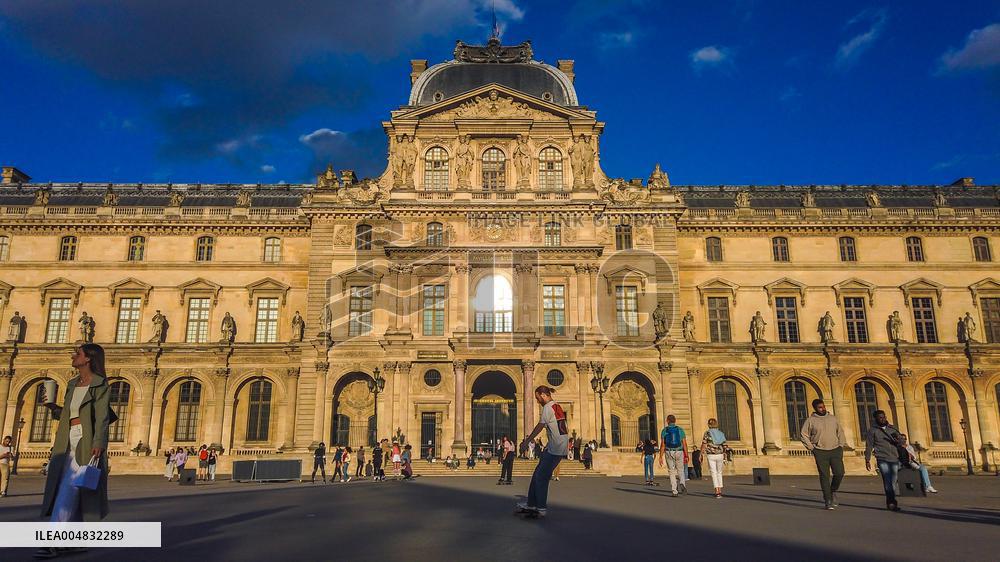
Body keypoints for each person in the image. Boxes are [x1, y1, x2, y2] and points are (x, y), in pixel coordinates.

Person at [36, 344, 112, 559]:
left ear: (88, 359)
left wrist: (99, 442)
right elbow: (70, 414)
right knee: (72, 488)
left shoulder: (100, 384)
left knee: (68, 488)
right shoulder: (71, 384)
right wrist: (53, 408)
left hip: (86, 441)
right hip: (67, 438)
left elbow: (102, 417)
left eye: (77, 353)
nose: (73, 356)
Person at [517, 386, 568, 517]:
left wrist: (527, 441)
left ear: (544, 395)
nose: (537, 400)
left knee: (541, 477)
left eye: (537, 397)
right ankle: (532, 503)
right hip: (557, 446)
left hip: (555, 448)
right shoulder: (556, 406)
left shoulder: (547, 407)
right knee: (537, 475)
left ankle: (540, 507)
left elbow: (540, 426)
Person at [800, 398, 847, 510]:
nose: (823, 409)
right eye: (820, 407)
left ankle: (833, 490)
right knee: (824, 476)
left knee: (840, 473)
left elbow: (840, 432)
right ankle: (828, 500)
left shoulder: (832, 418)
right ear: (815, 409)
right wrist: (812, 448)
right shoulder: (810, 420)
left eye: (823, 406)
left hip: (835, 449)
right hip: (820, 451)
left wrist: (841, 445)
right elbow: (803, 435)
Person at [865, 410, 903, 511]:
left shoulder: (892, 428)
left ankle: (891, 501)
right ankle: (891, 503)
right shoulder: (872, 431)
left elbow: (902, 441)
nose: (883, 419)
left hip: (894, 457)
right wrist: (867, 459)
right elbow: (869, 445)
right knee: (887, 480)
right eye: (880, 418)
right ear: (876, 419)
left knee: (893, 482)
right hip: (882, 458)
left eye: (884, 417)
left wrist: (898, 440)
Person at [658, 415, 688, 497]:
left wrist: (660, 456)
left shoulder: (664, 430)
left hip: (669, 451)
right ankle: (682, 483)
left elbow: (662, 445)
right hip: (679, 451)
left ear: (667, 421)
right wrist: (686, 455)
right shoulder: (680, 430)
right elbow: (684, 444)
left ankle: (674, 491)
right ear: (675, 421)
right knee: (680, 470)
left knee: (671, 471)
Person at [700, 418, 729, 498]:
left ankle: (717, 490)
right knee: (719, 472)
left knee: (713, 472)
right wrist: (725, 453)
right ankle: (720, 489)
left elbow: (704, 444)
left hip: (711, 455)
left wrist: (701, 454)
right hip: (720, 454)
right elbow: (725, 445)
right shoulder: (721, 433)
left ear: (709, 425)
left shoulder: (707, 433)